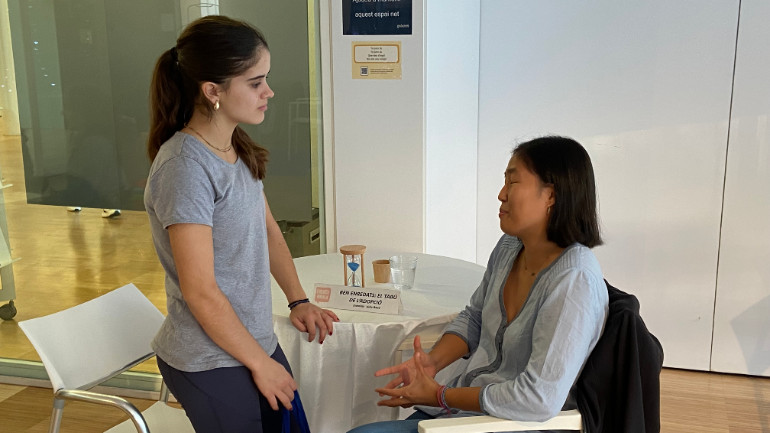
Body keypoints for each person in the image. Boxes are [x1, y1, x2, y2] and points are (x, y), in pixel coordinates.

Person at [144, 15, 338, 432]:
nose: (269, 92)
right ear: (212, 91)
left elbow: (268, 230)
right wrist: (260, 364)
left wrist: (298, 300)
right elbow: (200, 291)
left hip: (251, 341)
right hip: (207, 358)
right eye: (255, 83)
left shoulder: (235, 147)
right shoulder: (185, 168)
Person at [348, 136, 609, 433]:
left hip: (515, 425)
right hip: (464, 412)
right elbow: (475, 317)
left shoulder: (574, 281)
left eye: (513, 182)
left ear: (551, 195)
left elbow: (538, 398)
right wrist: (432, 363)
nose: (501, 194)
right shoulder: (510, 246)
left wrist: (440, 395)